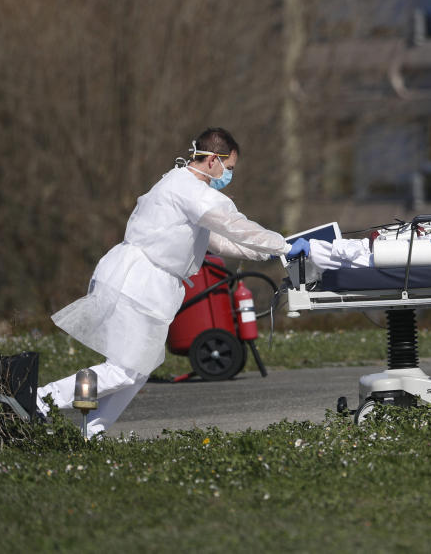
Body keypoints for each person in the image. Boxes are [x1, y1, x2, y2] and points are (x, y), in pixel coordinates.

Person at [36, 128, 310, 436]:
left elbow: (220, 242)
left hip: (144, 280)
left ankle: (90, 432)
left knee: (137, 369)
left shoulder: (183, 184)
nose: (229, 175)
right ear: (213, 160)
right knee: (126, 369)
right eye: (229, 168)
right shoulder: (190, 190)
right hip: (137, 280)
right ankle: (39, 401)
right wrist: (283, 246)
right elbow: (235, 226)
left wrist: (272, 251)